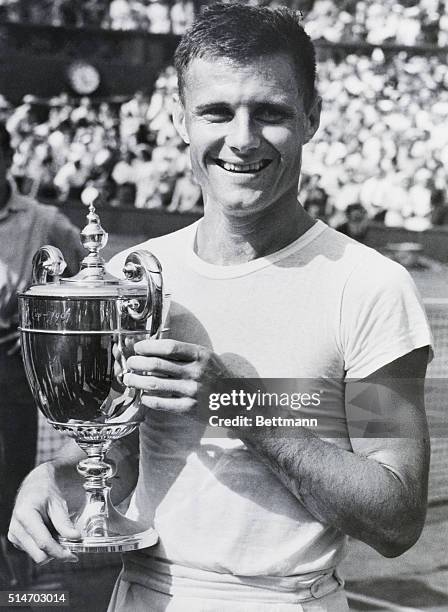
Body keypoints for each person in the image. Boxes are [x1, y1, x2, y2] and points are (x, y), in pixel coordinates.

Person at [9, 5, 432, 611]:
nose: (242, 138)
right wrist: (53, 480)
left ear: (311, 117)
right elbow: (118, 459)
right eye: (216, 111)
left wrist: (236, 402)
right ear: (180, 119)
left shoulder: (369, 287)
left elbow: (394, 515)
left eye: (271, 112)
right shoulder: (139, 277)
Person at [0, 122, 83, 585]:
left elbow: (84, 289)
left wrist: (45, 330)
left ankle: (23, 581)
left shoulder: (44, 222)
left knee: (11, 473)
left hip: (11, 368)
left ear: (8, 157)